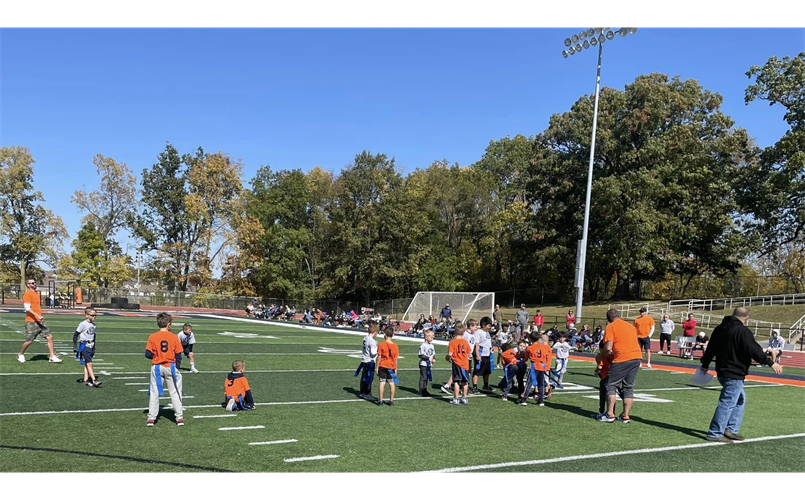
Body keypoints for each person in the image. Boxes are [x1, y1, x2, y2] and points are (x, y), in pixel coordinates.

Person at [699, 307, 782, 442]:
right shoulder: (742, 331)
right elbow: (753, 349)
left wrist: (705, 364)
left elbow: (711, 348)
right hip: (735, 371)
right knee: (728, 402)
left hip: (722, 370)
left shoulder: (720, 329)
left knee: (739, 399)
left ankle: (730, 429)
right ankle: (715, 432)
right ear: (747, 317)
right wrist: (770, 362)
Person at [595, 309, 642, 423]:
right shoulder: (630, 326)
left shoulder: (611, 327)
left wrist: (600, 357)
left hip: (622, 358)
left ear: (608, 319)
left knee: (611, 385)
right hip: (636, 357)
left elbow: (608, 347)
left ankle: (610, 414)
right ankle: (625, 416)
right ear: (619, 316)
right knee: (628, 387)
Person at [144, 312, 184, 427]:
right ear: (168, 324)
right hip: (170, 366)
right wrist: (176, 367)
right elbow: (178, 354)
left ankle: (151, 418)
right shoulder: (174, 337)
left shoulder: (153, 336)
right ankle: (179, 417)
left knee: (154, 393)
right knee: (175, 392)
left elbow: (147, 354)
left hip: (157, 367)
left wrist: (157, 357)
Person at [17, 278, 62, 364]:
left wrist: (39, 315)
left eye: (35, 282)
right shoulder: (27, 294)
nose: (34, 284)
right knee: (29, 341)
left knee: (49, 337)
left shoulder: (37, 293)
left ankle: (52, 356)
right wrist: (37, 315)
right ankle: (21, 354)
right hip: (31, 321)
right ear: (28, 285)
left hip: (40, 321)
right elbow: (27, 308)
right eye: (32, 283)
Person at [520, 333, 553, 406]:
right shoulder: (543, 347)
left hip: (534, 366)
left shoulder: (529, 348)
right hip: (542, 366)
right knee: (541, 384)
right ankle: (541, 401)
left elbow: (526, 358)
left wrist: (522, 360)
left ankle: (524, 399)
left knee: (528, 383)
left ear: (530, 339)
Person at [73, 307, 101, 387]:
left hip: (91, 345)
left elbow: (93, 336)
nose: (94, 317)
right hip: (84, 345)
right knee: (89, 363)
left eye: (95, 315)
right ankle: (94, 380)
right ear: (86, 315)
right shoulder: (83, 324)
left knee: (87, 363)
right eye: (92, 315)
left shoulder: (93, 325)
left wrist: (94, 347)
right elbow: (75, 335)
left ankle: (85, 380)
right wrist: (75, 346)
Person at [446, 322, 471, 405]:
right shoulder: (465, 342)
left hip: (457, 364)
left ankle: (456, 398)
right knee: (465, 382)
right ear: (463, 332)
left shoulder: (452, 342)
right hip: (465, 364)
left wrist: (447, 358)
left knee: (456, 381)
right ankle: (464, 398)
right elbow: (469, 353)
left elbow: (450, 354)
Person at [375, 326, 399, 406]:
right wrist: (396, 368)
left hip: (382, 366)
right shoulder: (395, 346)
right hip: (391, 367)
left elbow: (379, 356)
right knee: (392, 383)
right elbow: (395, 358)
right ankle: (391, 400)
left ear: (385, 334)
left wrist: (377, 367)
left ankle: (380, 400)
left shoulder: (381, 344)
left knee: (382, 382)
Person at [356, 322, 379, 401]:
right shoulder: (372, 341)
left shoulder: (365, 338)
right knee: (369, 378)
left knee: (364, 377)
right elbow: (373, 353)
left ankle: (362, 392)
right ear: (375, 332)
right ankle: (367, 393)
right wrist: (377, 347)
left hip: (364, 360)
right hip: (370, 361)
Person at [472, 316, 495, 393]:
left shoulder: (487, 332)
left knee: (487, 371)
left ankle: (485, 385)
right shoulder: (478, 332)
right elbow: (476, 344)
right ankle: (475, 387)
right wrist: (477, 355)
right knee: (477, 371)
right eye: (488, 325)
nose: (490, 327)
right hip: (481, 354)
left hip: (487, 353)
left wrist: (491, 348)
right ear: (484, 325)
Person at [417, 329, 436, 396]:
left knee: (427, 377)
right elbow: (420, 355)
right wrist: (428, 358)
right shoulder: (423, 345)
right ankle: (421, 390)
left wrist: (433, 359)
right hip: (423, 364)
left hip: (429, 364)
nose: (432, 338)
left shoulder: (432, 346)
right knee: (423, 377)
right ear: (426, 337)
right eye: (431, 337)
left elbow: (433, 354)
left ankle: (425, 389)